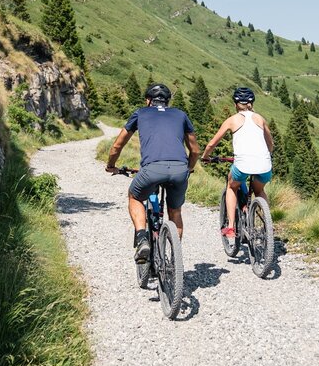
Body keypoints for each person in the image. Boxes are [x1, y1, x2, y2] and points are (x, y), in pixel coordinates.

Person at [106, 83, 200, 262]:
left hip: (151, 169)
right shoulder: (180, 115)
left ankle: (142, 239)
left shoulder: (140, 113)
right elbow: (195, 150)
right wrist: (188, 168)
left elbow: (117, 145)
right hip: (179, 169)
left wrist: (111, 165)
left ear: (148, 100)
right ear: (167, 101)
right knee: (175, 211)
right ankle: (174, 259)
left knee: (135, 197)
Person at [201, 86, 273, 239]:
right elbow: (270, 144)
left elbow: (211, 144)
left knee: (231, 186)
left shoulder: (232, 120)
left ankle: (231, 227)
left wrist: (206, 156)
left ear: (235, 103)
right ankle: (268, 224)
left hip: (242, 165)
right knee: (259, 190)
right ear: (252, 103)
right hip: (264, 164)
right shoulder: (260, 119)